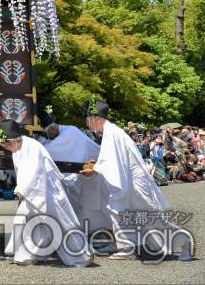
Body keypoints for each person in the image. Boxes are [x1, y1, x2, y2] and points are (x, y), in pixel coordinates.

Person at [81, 98, 193, 261]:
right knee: (117, 211)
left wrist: (94, 169)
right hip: (128, 179)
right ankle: (126, 247)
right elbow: (112, 160)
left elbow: (111, 161)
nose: (87, 125)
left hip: (135, 182)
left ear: (96, 119)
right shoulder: (111, 132)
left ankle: (185, 242)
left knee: (150, 215)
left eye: (88, 121)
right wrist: (97, 165)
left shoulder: (111, 133)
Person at [0, 120, 92, 267]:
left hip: (47, 191)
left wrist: (21, 190)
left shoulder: (32, 147)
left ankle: (82, 256)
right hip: (33, 191)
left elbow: (35, 172)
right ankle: (28, 254)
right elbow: (23, 174)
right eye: (3, 146)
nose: (6, 148)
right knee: (32, 222)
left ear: (13, 140)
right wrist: (22, 189)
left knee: (61, 223)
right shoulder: (18, 149)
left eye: (6, 144)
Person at [40, 107, 112, 238]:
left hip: (96, 172)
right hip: (84, 174)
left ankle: (107, 235)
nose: (48, 136)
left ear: (52, 129)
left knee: (98, 207)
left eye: (48, 133)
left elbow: (50, 151)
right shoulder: (61, 134)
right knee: (86, 206)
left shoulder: (70, 131)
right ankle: (90, 232)